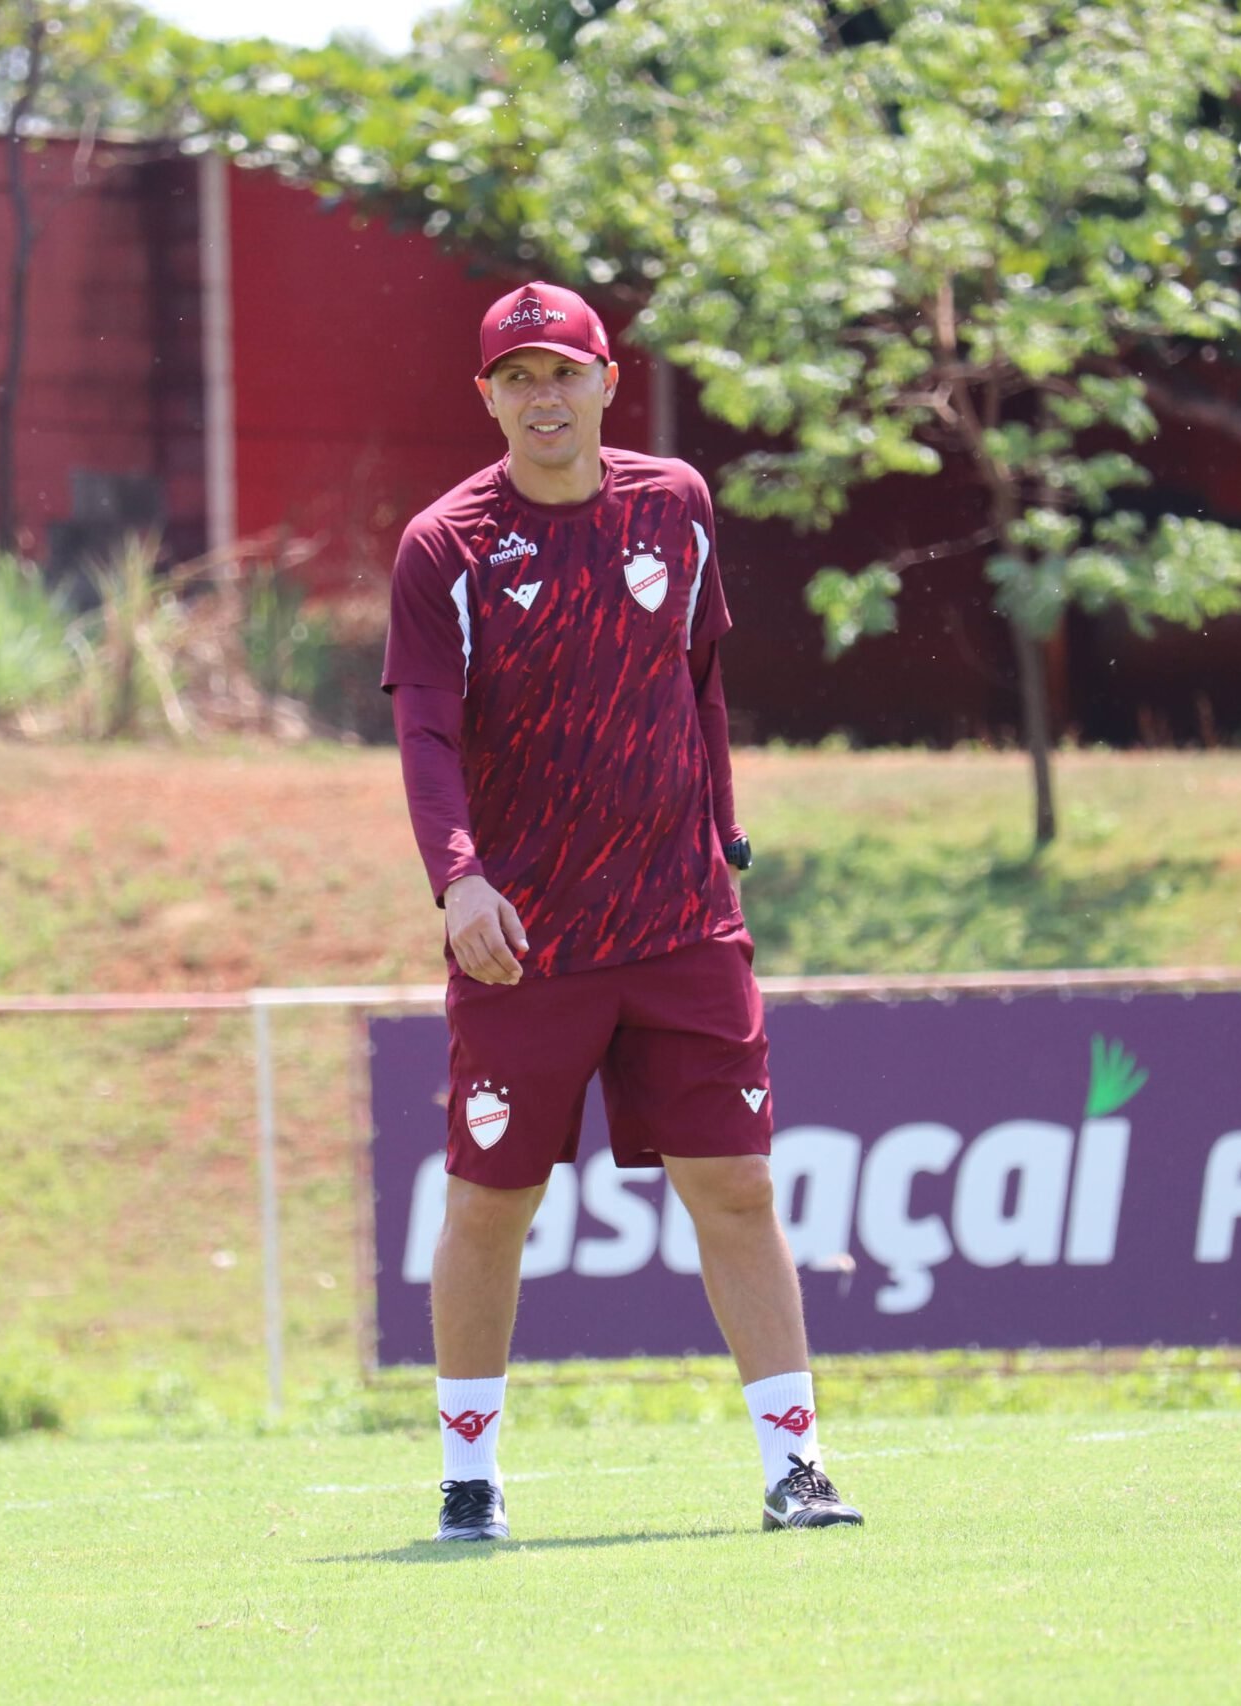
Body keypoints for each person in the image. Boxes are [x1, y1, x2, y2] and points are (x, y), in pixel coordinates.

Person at [381, 281, 863, 1541]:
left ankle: (794, 1465)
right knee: (493, 1200)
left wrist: (721, 831)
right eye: (517, 377)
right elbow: (424, 729)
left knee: (739, 1186)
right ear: (486, 397)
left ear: (609, 379)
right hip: (525, 940)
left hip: (681, 923)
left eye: (565, 372)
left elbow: (699, 682)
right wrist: (458, 877)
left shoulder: (678, 506)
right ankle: (469, 1475)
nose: (544, 396)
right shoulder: (446, 546)